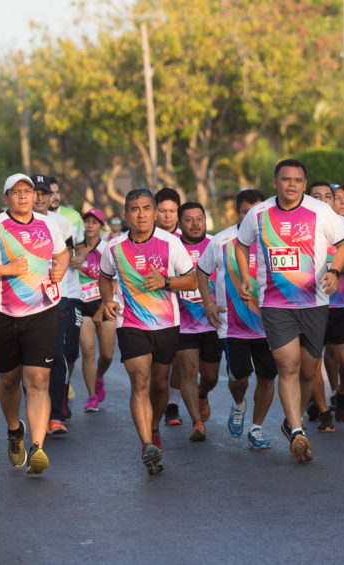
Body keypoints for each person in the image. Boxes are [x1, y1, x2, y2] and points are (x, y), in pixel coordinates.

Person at [236, 159, 344, 463]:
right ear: (274, 182)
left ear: (304, 183)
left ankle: (291, 421)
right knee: (287, 365)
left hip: (315, 302)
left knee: (307, 369)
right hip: (275, 304)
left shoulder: (320, 211)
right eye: (285, 179)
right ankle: (299, 432)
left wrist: (335, 272)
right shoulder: (258, 214)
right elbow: (241, 245)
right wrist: (245, 275)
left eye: (297, 180)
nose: (291, 185)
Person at [0, 173, 69, 474]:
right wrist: (7, 268)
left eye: (28, 191)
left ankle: (37, 447)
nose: (24, 196)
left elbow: (62, 254)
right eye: (16, 192)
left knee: (38, 380)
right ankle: (14, 430)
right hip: (3, 315)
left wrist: (60, 269)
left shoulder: (49, 224)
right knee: (10, 380)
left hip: (43, 311)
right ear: (6, 197)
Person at [99, 188, 196, 474]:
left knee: (159, 384)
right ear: (125, 215)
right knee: (139, 380)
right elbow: (104, 277)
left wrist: (166, 281)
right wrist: (107, 300)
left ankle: (154, 428)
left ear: (155, 213)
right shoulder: (114, 248)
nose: (140, 214)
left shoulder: (170, 244)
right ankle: (146, 445)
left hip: (166, 323)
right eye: (134, 209)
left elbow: (191, 281)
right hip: (130, 323)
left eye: (145, 208)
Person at [196, 189, 277, 449]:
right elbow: (201, 271)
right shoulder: (220, 241)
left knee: (268, 377)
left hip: (271, 325)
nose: (251, 217)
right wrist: (208, 303)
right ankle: (239, 404)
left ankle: (257, 428)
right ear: (237, 212)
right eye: (245, 212)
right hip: (234, 327)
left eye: (256, 211)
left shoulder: (274, 238)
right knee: (239, 377)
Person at [32, 174, 81, 434]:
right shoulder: (13, 223)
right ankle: (35, 408)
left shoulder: (61, 223)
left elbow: (69, 253)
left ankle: (57, 415)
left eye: (44, 192)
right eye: (35, 192)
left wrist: (60, 266)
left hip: (56, 298)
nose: (40, 198)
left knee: (57, 355)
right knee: (30, 361)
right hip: (25, 302)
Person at [308, 182, 344, 431]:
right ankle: (323, 410)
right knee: (315, 360)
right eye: (316, 196)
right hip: (310, 304)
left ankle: (341, 390)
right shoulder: (301, 228)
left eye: (328, 196)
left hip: (343, 303)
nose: (323, 200)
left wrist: (337, 268)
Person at [173, 201, 222, 441]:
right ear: (180, 223)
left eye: (199, 218)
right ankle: (196, 422)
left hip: (212, 322)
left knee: (211, 376)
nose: (195, 223)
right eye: (189, 219)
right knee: (188, 371)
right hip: (182, 323)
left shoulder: (215, 244)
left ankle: (203, 394)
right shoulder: (171, 246)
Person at [47, 176, 86, 416]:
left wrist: (79, 257)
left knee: (70, 351)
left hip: (72, 292)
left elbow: (81, 246)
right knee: (52, 351)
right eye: (48, 193)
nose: (53, 197)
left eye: (55, 192)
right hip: (46, 296)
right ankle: (52, 398)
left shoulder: (71, 218)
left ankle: (63, 385)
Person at [73, 208, 114, 412]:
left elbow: (114, 283)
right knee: (88, 350)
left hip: (105, 305)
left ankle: (99, 377)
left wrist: (101, 311)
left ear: (100, 226)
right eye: (87, 221)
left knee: (107, 355)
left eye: (94, 222)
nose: (90, 225)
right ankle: (91, 395)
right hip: (82, 306)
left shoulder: (108, 249)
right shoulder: (75, 249)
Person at [155, 187, 185, 425]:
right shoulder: (143, 237)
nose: (167, 216)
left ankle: (172, 403)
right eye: (162, 211)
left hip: (187, 311)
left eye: (172, 211)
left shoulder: (187, 238)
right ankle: (157, 399)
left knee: (180, 362)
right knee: (157, 367)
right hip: (154, 312)